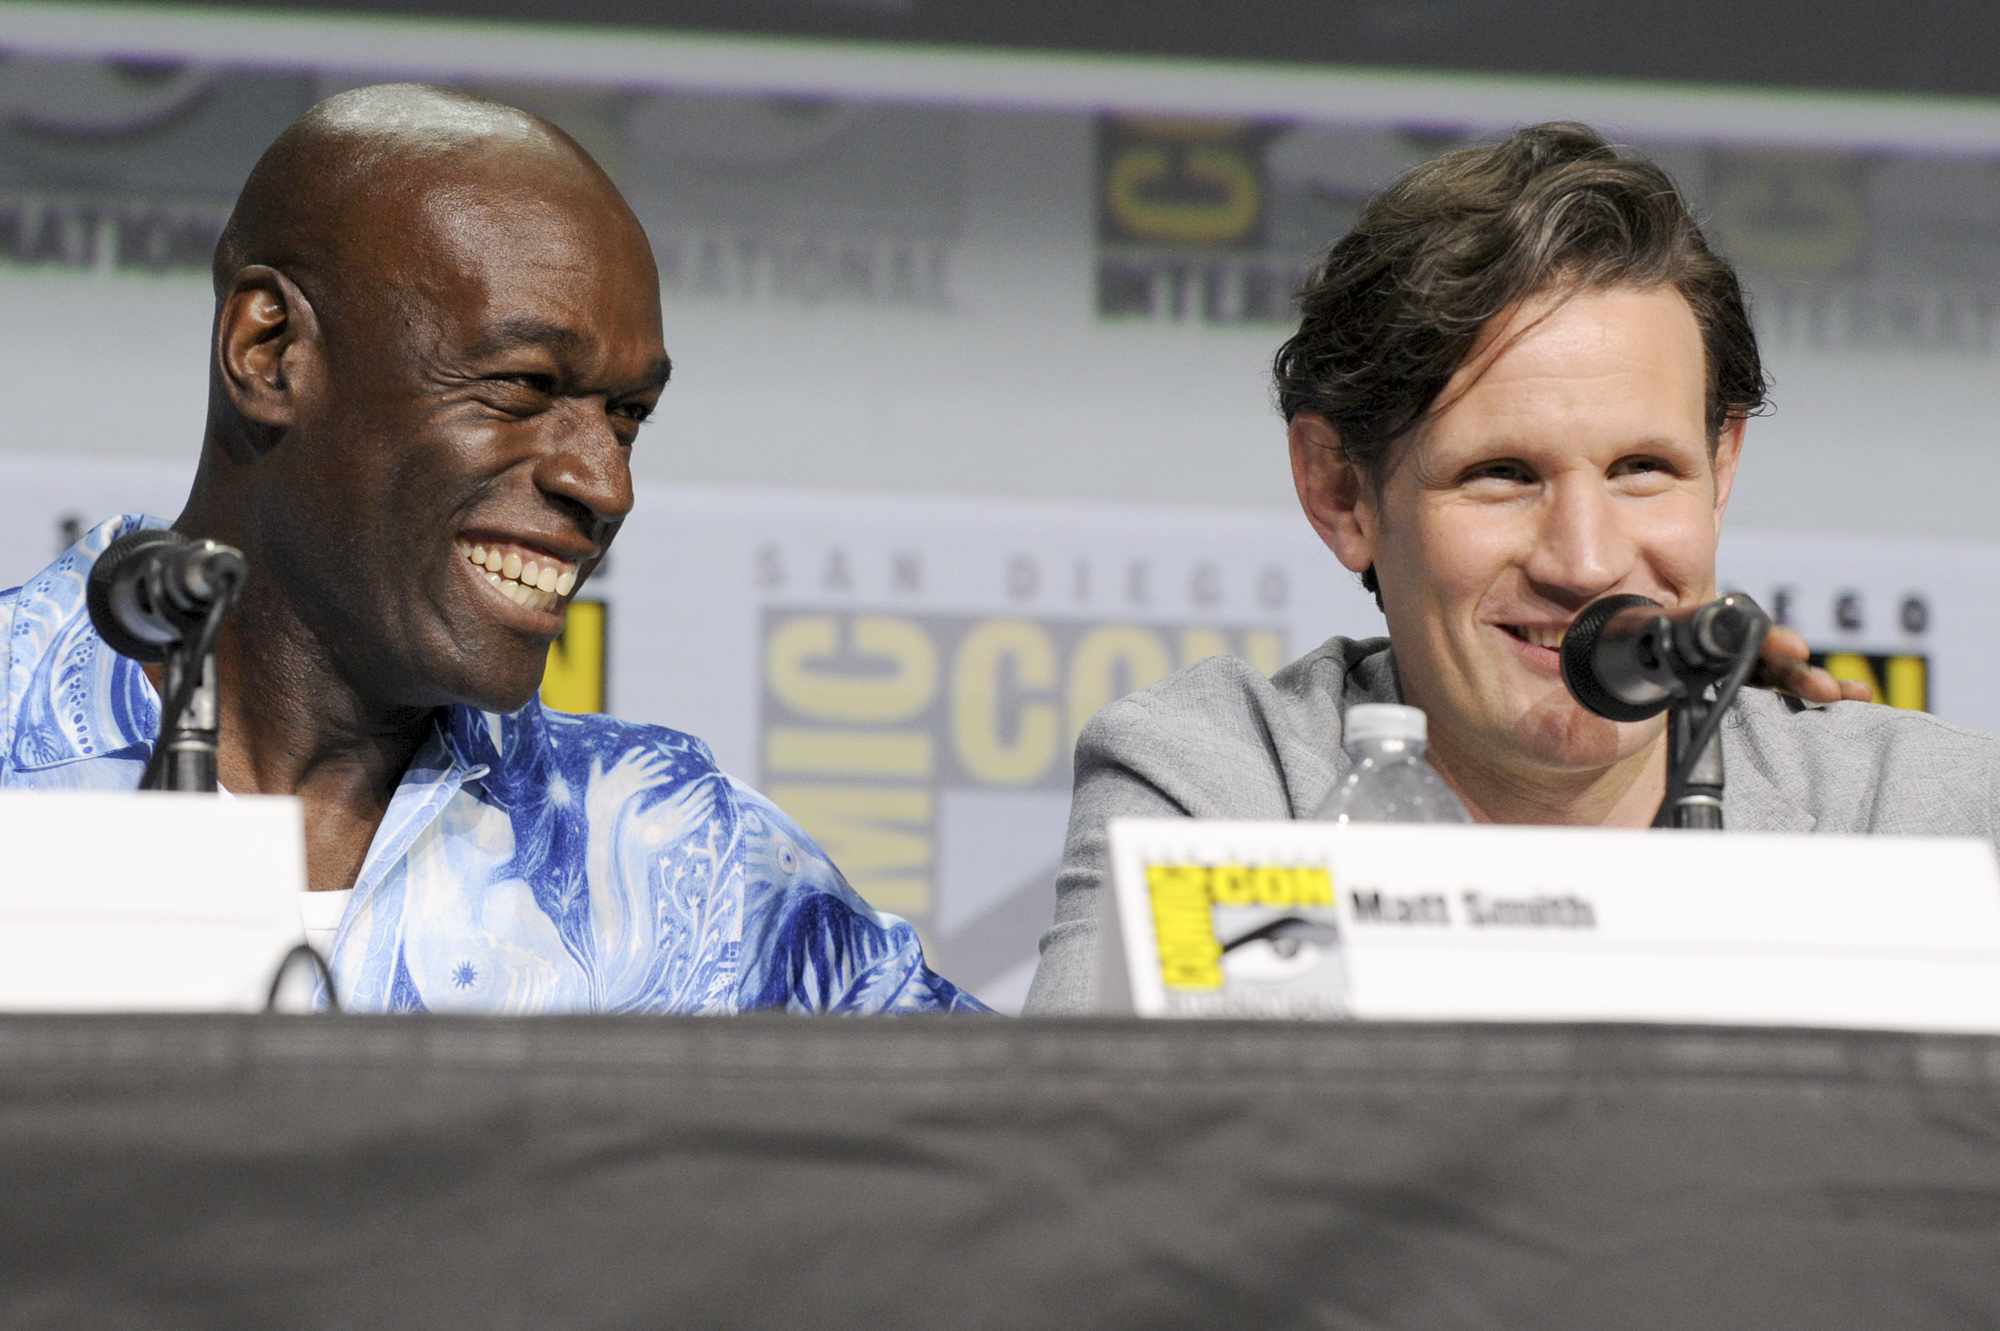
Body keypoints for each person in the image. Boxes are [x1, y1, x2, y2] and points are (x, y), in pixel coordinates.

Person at [0, 84, 984, 1015]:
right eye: (522, 385)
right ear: (271, 351)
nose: (606, 485)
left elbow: (1050, 1151)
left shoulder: (685, 860)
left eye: (628, 415)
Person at [1024, 121, 2000, 1014]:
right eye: (1499, 475)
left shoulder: (1910, 817)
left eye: (1641, 470)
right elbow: (1086, 1168)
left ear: (1722, 466)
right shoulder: (1220, 789)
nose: (1583, 560)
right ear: (1340, 493)